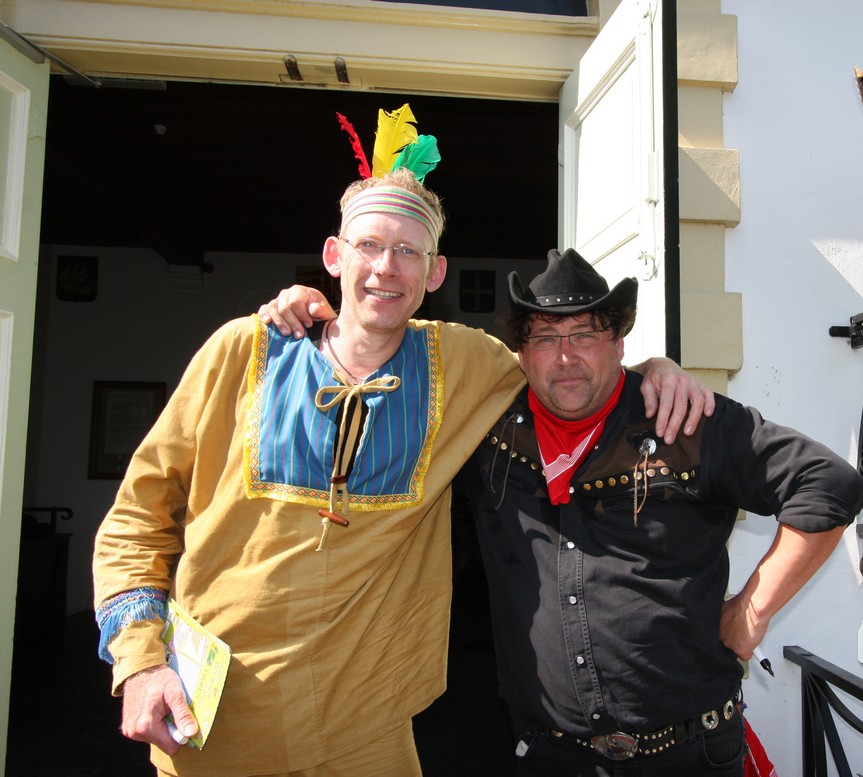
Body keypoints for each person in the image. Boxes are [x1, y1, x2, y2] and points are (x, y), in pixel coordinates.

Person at [92, 162, 711, 777]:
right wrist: (140, 662)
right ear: (334, 255)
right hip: (216, 720)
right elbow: (135, 520)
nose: (387, 267)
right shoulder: (243, 349)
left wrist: (656, 370)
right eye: (369, 245)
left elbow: (570, 372)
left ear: (435, 272)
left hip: (367, 729)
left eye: (409, 251)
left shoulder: (466, 363)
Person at [267, 248, 863, 776]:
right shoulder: (484, 429)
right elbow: (373, 386)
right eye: (546, 339)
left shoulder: (682, 421)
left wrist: (752, 611)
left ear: (619, 344)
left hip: (690, 754)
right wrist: (320, 324)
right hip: (547, 755)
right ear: (520, 354)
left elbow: (828, 484)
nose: (565, 357)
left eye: (585, 335)